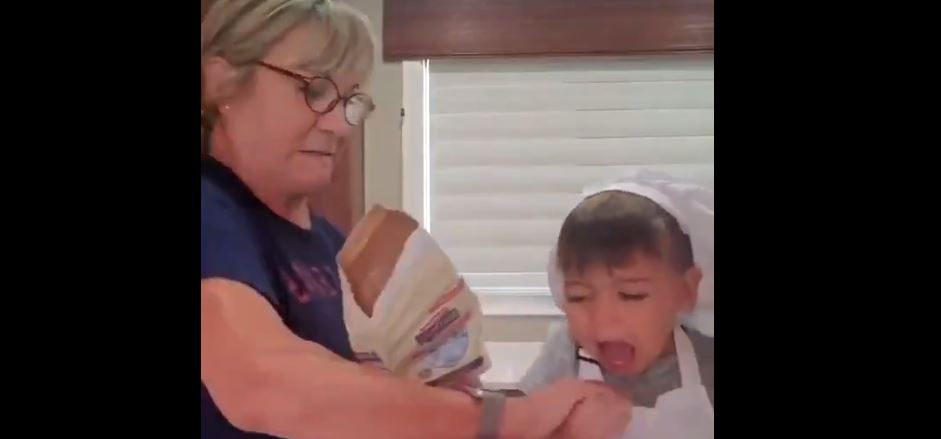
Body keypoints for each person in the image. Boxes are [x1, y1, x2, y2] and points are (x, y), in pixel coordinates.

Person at [200, 1, 631, 438]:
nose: (339, 125)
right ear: (221, 82)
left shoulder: (331, 244)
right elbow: (263, 383)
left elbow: (356, 401)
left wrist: (441, 389)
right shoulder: (212, 213)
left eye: (348, 100)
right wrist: (506, 420)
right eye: (313, 90)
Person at [520, 171, 715, 438]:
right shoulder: (565, 356)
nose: (603, 319)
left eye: (631, 294)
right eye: (579, 296)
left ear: (686, 290)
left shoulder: (707, 361)